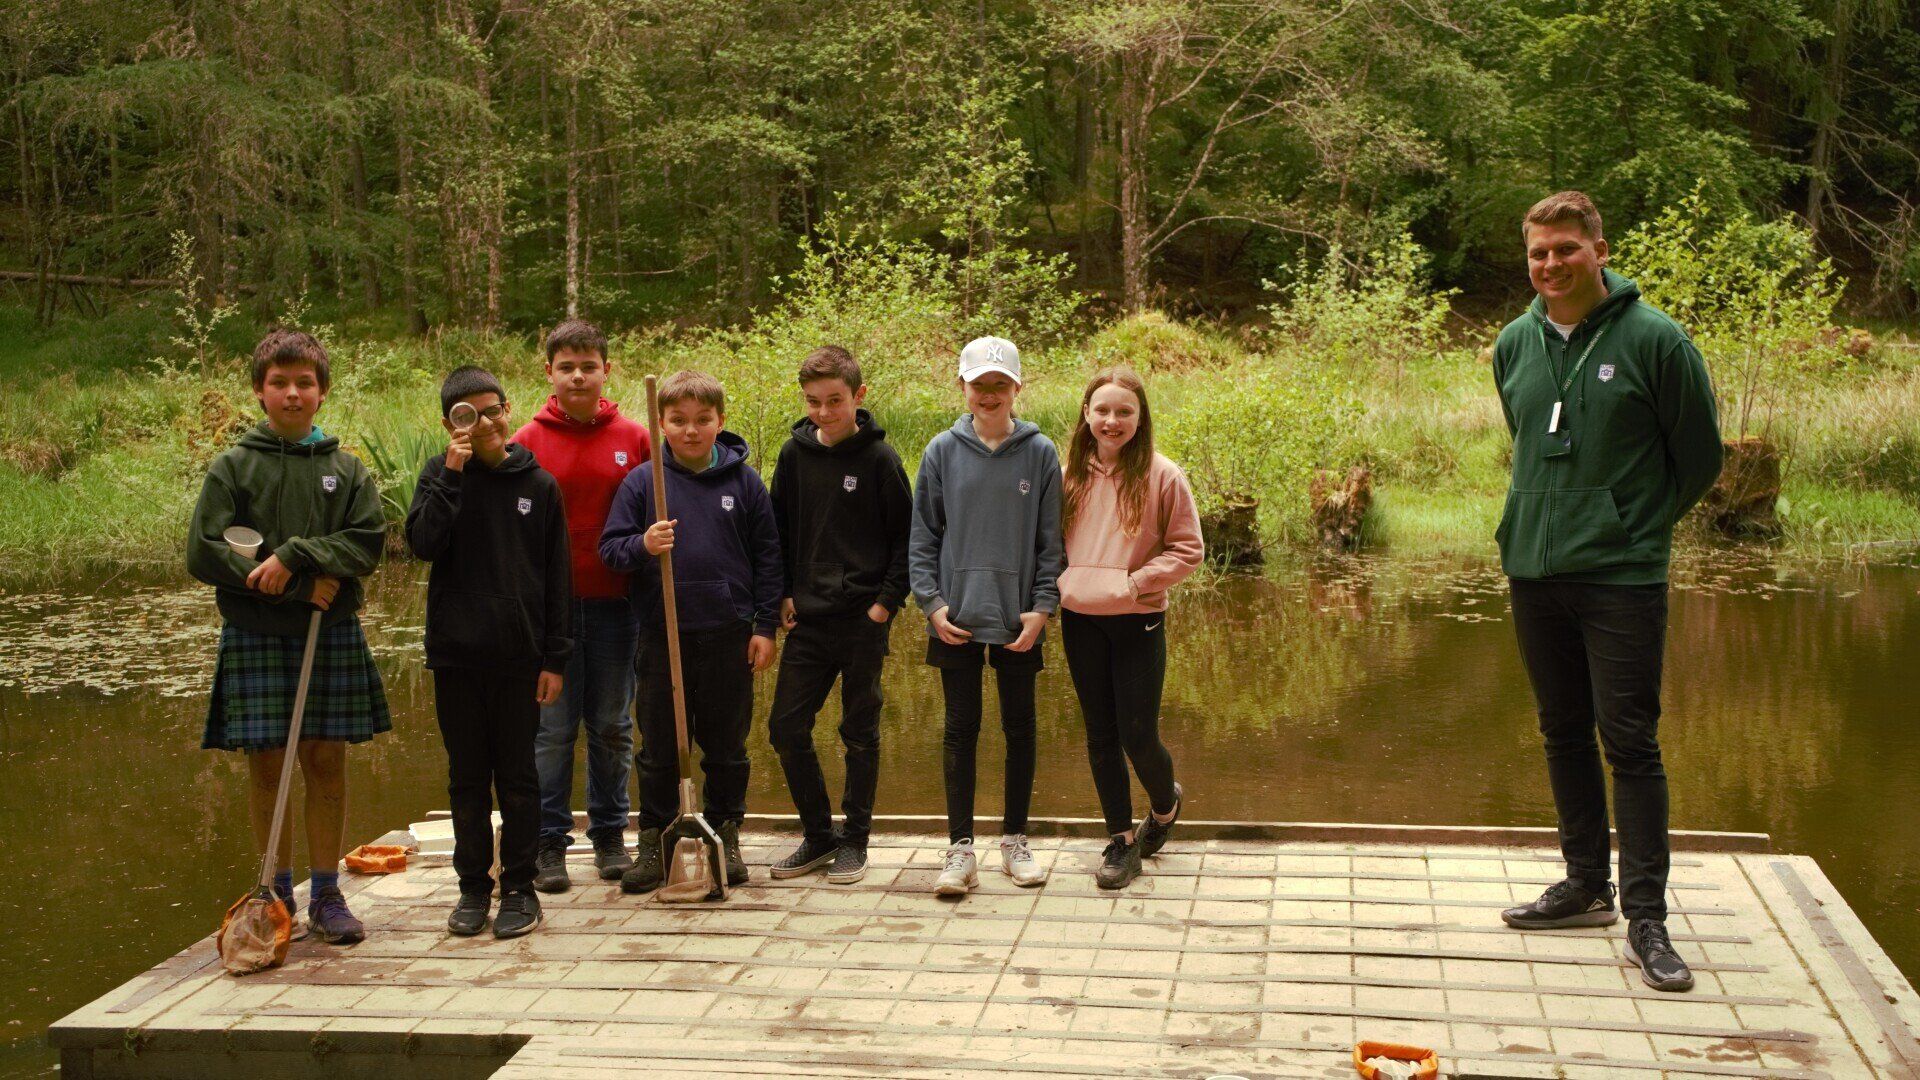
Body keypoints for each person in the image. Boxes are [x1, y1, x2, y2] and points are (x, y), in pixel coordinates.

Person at [1491, 191, 1722, 993]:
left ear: (1599, 250)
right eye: (1539, 252)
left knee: (1630, 741)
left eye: (1566, 248)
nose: (1551, 264)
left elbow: (1700, 456)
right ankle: (1586, 883)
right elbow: (1526, 439)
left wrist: (1634, 527)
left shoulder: (1656, 339)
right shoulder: (1513, 344)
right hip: (1534, 569)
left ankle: (1648, 917)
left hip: (1622, 576)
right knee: (1562, 731)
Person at [188, 329, 390, 946]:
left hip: (329, 632)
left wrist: (296, 553)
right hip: (258, 631)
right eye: (279, 382)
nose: (293, 393)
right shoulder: (232, 467)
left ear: (322, 392)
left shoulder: (345, 469)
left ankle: (327, 894)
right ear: (260, 391)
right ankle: (274, 892)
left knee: (326, 761)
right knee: (268, 765)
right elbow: (205, 552)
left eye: (305, 382)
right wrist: (298, 586)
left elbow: (366, 544)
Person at [600, 370, 782, 894]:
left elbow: (769, 558)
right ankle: (655, 839)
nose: (691, 430)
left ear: (720, 421)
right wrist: (644, 544)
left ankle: (726, 831)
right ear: (662, 423)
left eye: (703, 419)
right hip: (664, 636)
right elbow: (610, 550)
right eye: (678, 420)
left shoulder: (745, 484)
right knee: (658, 747)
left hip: (728, 633)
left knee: (727, 745)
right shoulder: (644, 482)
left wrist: (765, 625)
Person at [406, 366, 572, 939]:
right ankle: (473, 887)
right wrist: (452, 476)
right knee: (467, 780)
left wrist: (554, 659)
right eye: (467, 415)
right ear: (449, 423)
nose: (484, 423)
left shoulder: (539, 485)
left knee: (520, 777)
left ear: (507, 410)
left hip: (519, 656)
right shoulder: (438, 475)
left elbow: (557, 580)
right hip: (456, 655)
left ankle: (520, 889)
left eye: (492, 410)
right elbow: (423, 544)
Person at [909, 336, 1064, 897]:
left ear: (1017, 388)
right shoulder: (940, 452)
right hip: (956, 617)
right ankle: (960, 849)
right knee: (960, 729)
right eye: (980, 384)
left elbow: (1051, 543)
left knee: (1020, 728)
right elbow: (923, 538)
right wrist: (932, 604)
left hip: (1019, 618)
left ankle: (1015, 841)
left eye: (1001, 384)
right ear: (963, 387)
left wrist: (1042, 608)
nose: (990, 394)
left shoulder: (1040, 453)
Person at [764, 346, 913, 885]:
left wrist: (883, 605)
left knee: (859, 732)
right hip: (807, 620)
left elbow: (907, 541)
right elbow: (777, 533)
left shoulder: (880, 459)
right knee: (785, 728)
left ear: (858, 396)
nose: (823, 412)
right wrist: (782, 593)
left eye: (834, 400)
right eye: (813, 402)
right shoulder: (793, 455)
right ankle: (819, 834)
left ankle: (856, 840)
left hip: (862, 621)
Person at [512, 320, 651, 891]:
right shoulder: (526, 441)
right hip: (552, 613)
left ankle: (610, 833)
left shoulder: (636, 439)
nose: (577, 376)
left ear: (606, 371)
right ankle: (548, 841)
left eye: (588, 366)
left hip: (619, 605)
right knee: (551, 731)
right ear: (549, 372)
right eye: (566, 367)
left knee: (613, 725)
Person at [1057, 367, 1203, 889]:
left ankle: (1164, 807)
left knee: (1138, 735)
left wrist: (1136, 582)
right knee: (1100, 734)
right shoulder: (1067, 475)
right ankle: (1121, 842)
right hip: (1080, 619)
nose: (1112, 420)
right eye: (1102, 410)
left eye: (1124, 411)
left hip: (1138, 618)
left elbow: (1189, 549)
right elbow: (1049, 546)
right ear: (1086, 414)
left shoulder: (1164, 476)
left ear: (1140, 419)